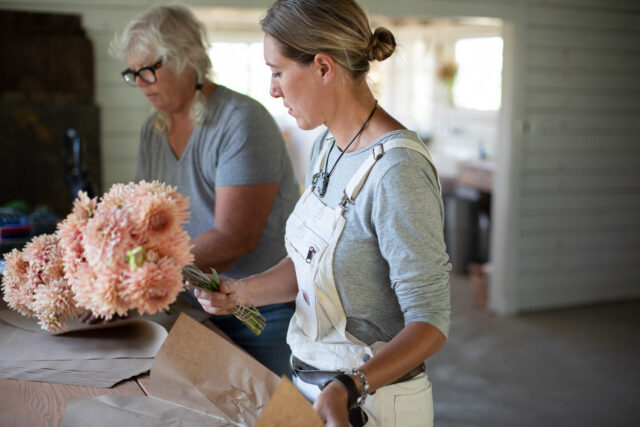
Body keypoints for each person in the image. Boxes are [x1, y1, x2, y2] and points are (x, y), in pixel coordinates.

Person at [194, 0, 452, 426]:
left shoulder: (397, 172)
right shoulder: (327, 148)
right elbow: (309, 267)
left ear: (323, 68)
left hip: (372, 404)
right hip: (312, 387)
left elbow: (431, 323)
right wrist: (240, 293)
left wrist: (351, 385)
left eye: (277, 72)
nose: (272, 89)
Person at [109, 5, 299, 377]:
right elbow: (140, 221)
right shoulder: (155, 129)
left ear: (189, 59)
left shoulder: (241, 121)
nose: (142, 82)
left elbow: (233, 240)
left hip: (259, 309)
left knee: (272, 411)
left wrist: (141, 276)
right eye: (134, 74)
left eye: (150, 69)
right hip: (192, 302)